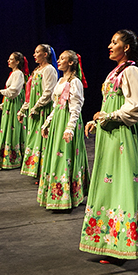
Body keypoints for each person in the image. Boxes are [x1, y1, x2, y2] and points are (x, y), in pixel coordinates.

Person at [81, 30, 138, 262]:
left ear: (127, 47)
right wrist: (97, 120)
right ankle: (106, 240)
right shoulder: (116, 72)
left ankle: (120, 244)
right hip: (109, 136)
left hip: (122, 136)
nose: (110, 46)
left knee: (120, 185)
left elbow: (135, 107)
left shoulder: (132, 71)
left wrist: (108, 117)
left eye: (115, 42)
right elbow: (110, 103)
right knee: (107, 185)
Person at [37, 50, 90, 210]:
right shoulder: (60, 81)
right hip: (57, 123)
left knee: (65, 157)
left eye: (62, 59)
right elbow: (56, 106)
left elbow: (76, 108)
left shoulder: (75, 82)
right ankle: (55, 196)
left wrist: (70, 128)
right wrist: (47, 123)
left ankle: (68, 197)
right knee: (56, 156)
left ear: (71, 63)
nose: (58, 61)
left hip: (67, 122)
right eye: (58, 59)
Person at [18, 44, 59, 179]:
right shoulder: (37, 70)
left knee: (43, 140)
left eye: (37, 52)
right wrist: (24, 109)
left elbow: (48, 92)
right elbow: (30, 94)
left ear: (45, 54)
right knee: (34, 139)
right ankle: (37, 170)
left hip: (43, 110)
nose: (34, 55)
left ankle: (44, 171)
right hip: (35, 110)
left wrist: (37, 107)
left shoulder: (49, 70)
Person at [0, 52, 28, 170]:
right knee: (8, 129)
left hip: (15, 105)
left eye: (11, 59)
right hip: (10, 105)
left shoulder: (18, 74)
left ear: (17, 62)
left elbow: (14, 91)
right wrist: (2, 105)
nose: (8, 61)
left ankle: (14, 158)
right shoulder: (14, 73)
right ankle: (10, 158)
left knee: (13, 129)